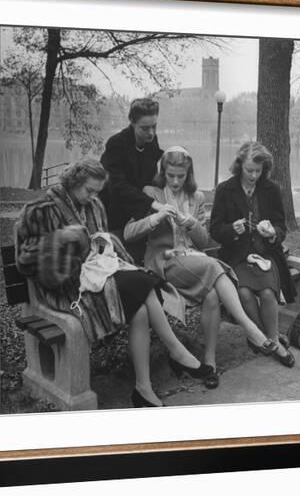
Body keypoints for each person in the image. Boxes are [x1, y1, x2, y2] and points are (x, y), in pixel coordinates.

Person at [15, 158, 212, 408]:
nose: (93, 196)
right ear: (73, 182)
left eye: (97, 191)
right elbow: (24, 260)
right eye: (89, 190)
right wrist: (62, 239)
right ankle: (176, 350)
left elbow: (101, 244)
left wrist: (101, 244)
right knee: (143, 282)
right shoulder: (41, 210)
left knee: (140, 308)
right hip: (66, 288)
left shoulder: (95, 205)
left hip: (97, 276)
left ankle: (143, 388)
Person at [123, 146, 279, 389]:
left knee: (213, 294)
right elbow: (128, 233)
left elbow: (204, 241)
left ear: (189, 174)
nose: (175, 181)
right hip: (163, 263)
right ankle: (251, 329)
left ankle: (209, 362)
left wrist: (192, 224)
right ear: (162, 172)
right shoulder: (151, 194)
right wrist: (154, 218)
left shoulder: (196, 198)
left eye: (181, 176)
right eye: (170, 175)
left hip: (193, 265)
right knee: (211, 265)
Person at [209, 141, 297, 368]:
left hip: (266, 254)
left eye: (258, 171)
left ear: (264, 169)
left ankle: (270, 340)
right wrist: (231, 230)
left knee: (268, 293)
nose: (253, 175)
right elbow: (215, 229)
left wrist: (271, 234)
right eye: (249, 170)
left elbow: (281, 226)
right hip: (236, 255)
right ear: (239, 166)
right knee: (245, 294)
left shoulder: (272, 189)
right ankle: (270, 340)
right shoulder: (225, 190)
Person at [99, 98, 174, 262]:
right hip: (115, 215)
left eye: (154, 126)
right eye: (145, 128)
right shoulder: (116, 143)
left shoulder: (151, 140)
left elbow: (152, 178)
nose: (151, 133)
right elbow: (117, 187)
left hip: (140, 215)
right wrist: (152, 204)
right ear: (132, 122)